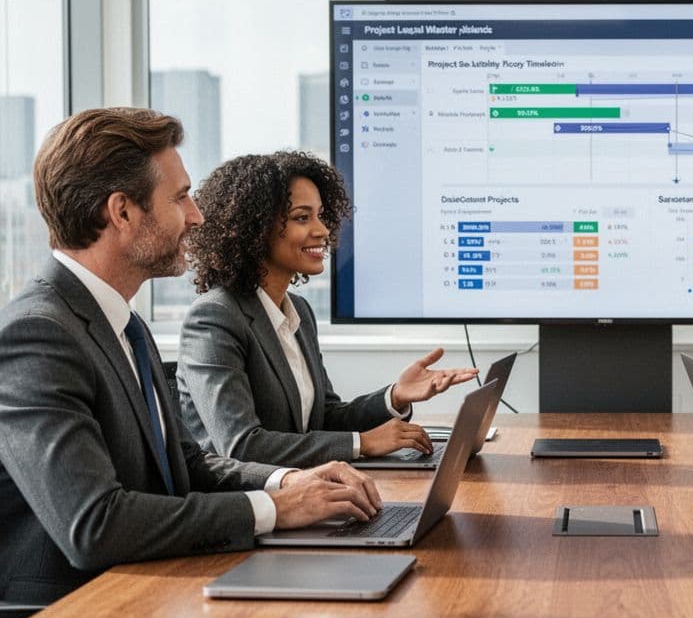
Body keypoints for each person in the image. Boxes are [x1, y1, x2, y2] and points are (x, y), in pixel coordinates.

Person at [0, 108, 384, 618]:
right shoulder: (34, 337)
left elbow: (187, 464)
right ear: (122, 212)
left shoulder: (122, 323)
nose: (197, 216)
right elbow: (95, 524)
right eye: (180, 197)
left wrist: (293, 481)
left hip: (145, 591)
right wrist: (273, 508)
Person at [176, 151, 477, 467]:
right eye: (302, 217)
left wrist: (395, 396)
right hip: (247, 504)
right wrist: (364, 443)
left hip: (309, 490)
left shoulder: (299, 312)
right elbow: (241, 446)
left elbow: (325, 418)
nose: (322, 230)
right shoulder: (214, 318)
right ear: (255, 227)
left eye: (321, 215)